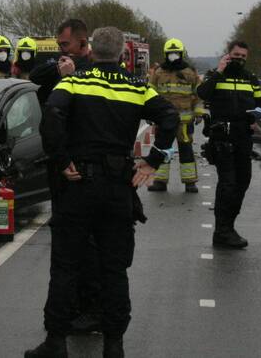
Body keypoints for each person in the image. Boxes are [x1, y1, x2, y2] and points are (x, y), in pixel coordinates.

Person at [25, 27, 180, 358]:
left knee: (65, 266)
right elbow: (170, 117)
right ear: (123, 54)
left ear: (91, 51)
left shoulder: (74, 81)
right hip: (117, 188)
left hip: (78, 183)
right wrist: (152, 161)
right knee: (114, 269)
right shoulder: (137, 86)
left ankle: (56, 342)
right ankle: (114, 344)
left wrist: (62, 158)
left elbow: (52, 114)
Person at [29, 18, 102, 334]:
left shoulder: (93, 71)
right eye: (58, 46)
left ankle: (91, 307)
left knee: (85, 244)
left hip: (83, 164)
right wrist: (60, 71)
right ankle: (70, 307)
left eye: (65, 45)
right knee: (65, 243)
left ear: (83, 45)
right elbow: (34, 76)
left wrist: (74, 78)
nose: (60, 51)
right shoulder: (57, 67)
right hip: (60, 162)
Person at [196, 40, 261, 249]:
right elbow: (202, 94)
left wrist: (256, 117)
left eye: (243, 56)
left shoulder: (251, 78)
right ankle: (222, 231)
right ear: (228, 54)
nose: (240, 59)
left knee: (243, 181)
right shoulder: (215, 75)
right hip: (222, 136)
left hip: (243, 136)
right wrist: (219, 71)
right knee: (228, 183)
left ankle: (229, 226)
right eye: (236, 55)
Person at [146, 38, 204, 193]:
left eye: (175, 53)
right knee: (162, 150)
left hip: (183, 122)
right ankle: (160, 181)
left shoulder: (190, 73)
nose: (173, 56)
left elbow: (198, 95)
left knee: (186, 151)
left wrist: (199, 113)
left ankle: (190, 182)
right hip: (163, 121)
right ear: (166, 54)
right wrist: (149, 113)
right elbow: (149, 94)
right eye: (170, 53)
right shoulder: (158, 73)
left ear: (181, 54)